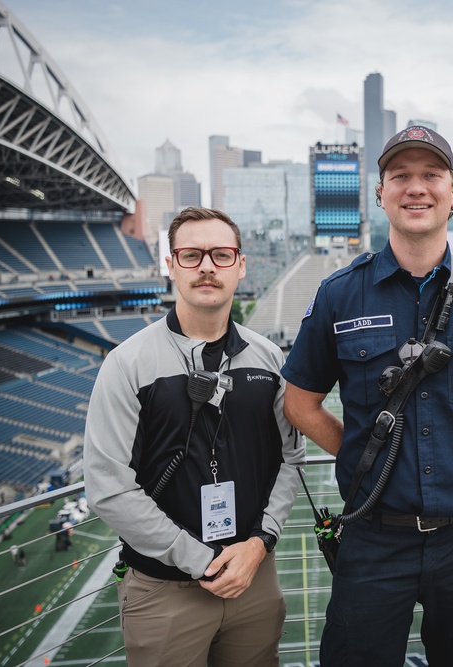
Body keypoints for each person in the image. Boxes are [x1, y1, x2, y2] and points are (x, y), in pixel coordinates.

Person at [282, 126, 453, 667]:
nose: (415, 188)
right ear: (380, 194)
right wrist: (367, 458)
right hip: (374, 536)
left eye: (431, 175)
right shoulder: (340, 292)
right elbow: (300, 403)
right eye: (400, 176)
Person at [83, 206, 305, 667]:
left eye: (221, 255)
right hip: (165, 590)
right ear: (171, 266)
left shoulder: (267, 358)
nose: (207, 266)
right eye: (191, 254)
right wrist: (201, 559)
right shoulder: (126, 364)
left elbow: (291, 458)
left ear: (241, 265)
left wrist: (260, 543)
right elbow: (108, 488)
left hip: (254, 577)